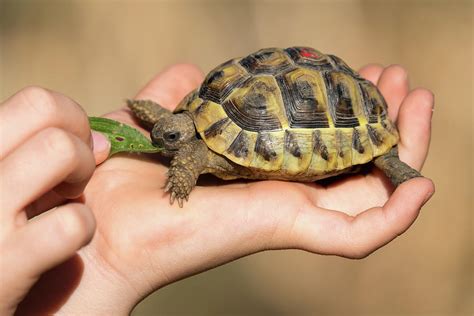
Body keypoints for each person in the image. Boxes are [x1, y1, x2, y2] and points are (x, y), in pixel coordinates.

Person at [0, 63, 435, 315]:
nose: (163, 143)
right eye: (166, 132)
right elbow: (174, 129)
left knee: (379, 157)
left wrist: (179, 170)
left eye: (169, 138)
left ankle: (386, 159)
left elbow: (189, 152)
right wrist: (105, 265)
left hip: (328, 120)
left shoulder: (192, 151)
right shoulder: (183, 124)